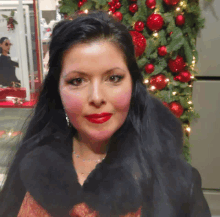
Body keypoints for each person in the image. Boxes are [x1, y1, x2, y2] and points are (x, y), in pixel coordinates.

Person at [0, 11, 211, 217]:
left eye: (114, 78)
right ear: (57, 90)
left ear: (133, 83)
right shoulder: (29, 169)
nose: (97, 97)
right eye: (77, 81)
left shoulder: (178, 182)